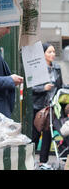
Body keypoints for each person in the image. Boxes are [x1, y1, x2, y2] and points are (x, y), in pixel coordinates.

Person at [31, 42, 63, 170]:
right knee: (35, 133)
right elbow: (31, 88)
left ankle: (43, 161)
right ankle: (30, 159)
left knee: (48, 133)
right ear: (43, 54)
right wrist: (43, 88)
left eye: (54, 52)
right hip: (38, 105)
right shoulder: (37, 68)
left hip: (51, 104)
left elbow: (60, 85)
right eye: (49, 52)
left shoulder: (57, 67)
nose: (53, 54)